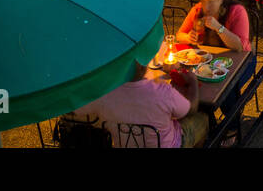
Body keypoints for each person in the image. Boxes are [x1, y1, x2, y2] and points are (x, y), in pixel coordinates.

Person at [70, 61, 206, 148]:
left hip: (125, 145)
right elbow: (191, 109)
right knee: (203, 119)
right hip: (170, 144)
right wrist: (193, 81)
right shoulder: (163, 92)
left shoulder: (104, 93)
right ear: (144, 66)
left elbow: (76, 110)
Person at [177, 0, 251, 52]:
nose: (206, 7)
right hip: (209, 56)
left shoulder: (237, 11)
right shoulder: (198, 10)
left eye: (211, 2)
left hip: (238, 57)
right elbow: (179, 36)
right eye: (203, 1)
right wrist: (188, 37)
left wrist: (218, 27)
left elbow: (239, 46)